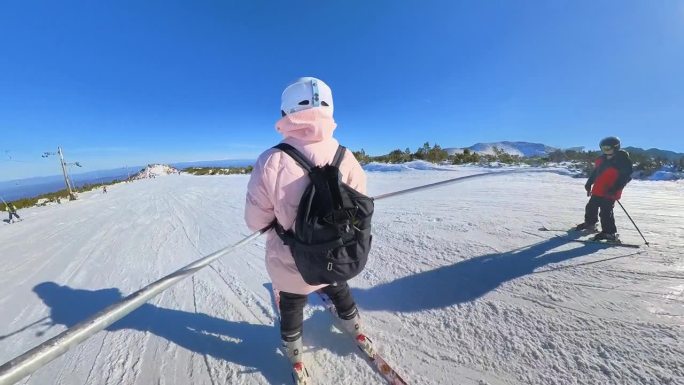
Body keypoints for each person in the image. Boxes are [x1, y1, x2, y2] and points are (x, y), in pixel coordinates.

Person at [244, 77, 368, 379]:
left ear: (286, 111)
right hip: (337, 255)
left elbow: (255, 220)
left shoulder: (271, 160)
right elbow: (360, 208)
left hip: (291, 258)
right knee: (336, 285)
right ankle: (352, 322)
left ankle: (293, 346)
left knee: (292, 299)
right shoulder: (346, 157)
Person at [575, 136, 633, 241]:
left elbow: (626, 177)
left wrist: (615, 188)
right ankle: (590, 224)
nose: (606, 151)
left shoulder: (622, 160)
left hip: (611, 191)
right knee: (591, 206)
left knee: (606, 211)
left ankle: (609, 233)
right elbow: (595, 173)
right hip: (598, 188)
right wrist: (589, 183)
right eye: (603, 148)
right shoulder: (601, 159)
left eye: (608, 148)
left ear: (616, 148)